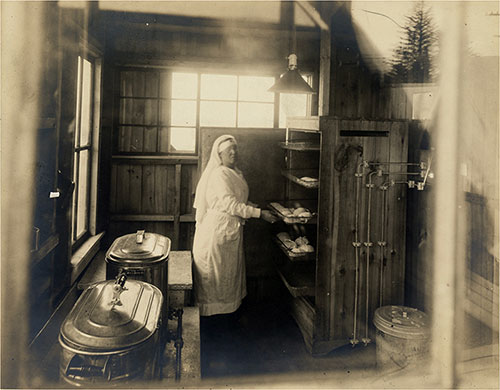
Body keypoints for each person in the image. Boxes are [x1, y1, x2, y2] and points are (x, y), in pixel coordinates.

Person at [192, 134, 276, 317]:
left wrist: (257, 208)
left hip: (228, 231)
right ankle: (214, 325)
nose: (233, 152)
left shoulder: (234, 172)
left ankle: (224, 320)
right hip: (217, 232)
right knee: (216, 281)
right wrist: (260, 214)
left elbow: (237, 200)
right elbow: (230, 205)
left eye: (234, 149)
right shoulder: (219, 174)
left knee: (226, 280)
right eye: (228, 150)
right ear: (219, 155)